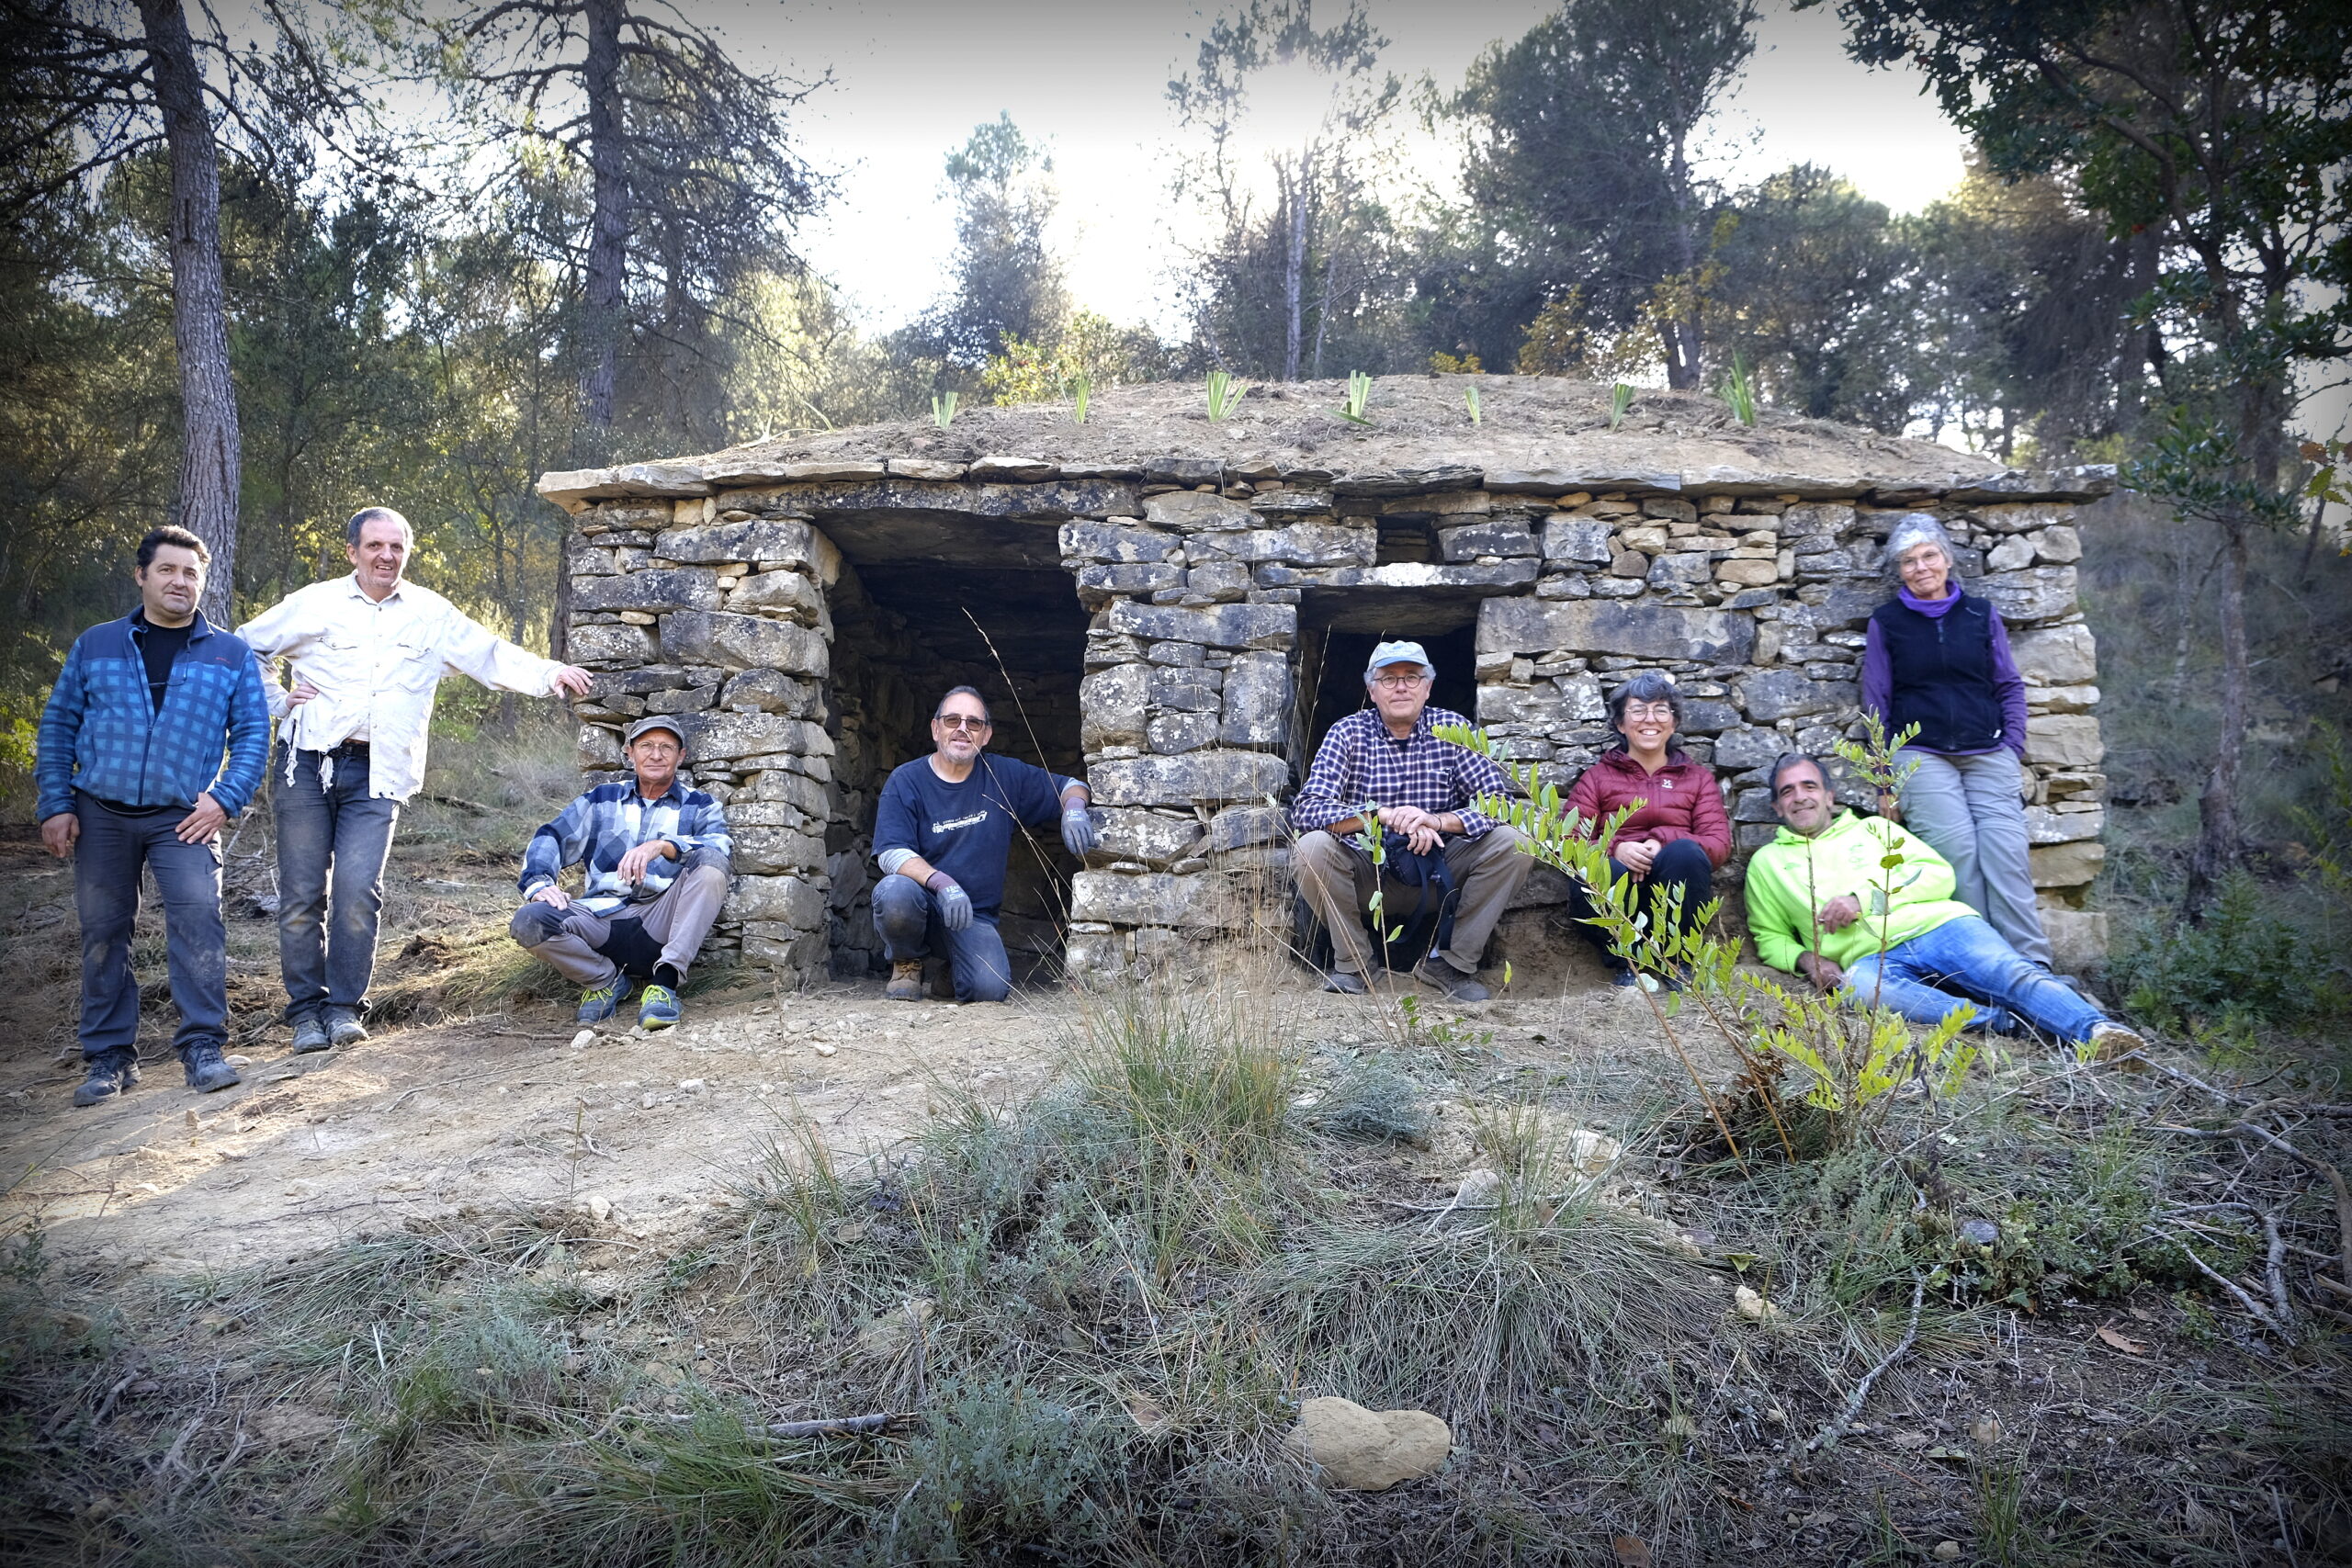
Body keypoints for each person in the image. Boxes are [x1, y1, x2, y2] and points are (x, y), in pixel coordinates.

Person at [238, 506, 594, 1053]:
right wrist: (277, 702)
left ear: (406, 553)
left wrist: (551, 674)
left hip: (379, 770)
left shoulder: (431, 614)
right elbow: (245, 646)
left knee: (358, 891)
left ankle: (343, 1009)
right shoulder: (316, 602)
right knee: (303, 894)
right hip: (307, 762)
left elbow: (490, 653)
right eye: (375, 546)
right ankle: (305, 1013)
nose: (386, 556)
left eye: (397, 547)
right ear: (353, 551)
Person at [36, 527, 270, 1106]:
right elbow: (59, 725)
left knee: (198, 922)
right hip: (101, 814)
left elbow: (253, 735)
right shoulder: (98, 644)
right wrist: (57, 804)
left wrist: (224, 799)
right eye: (167, 570)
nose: (179, 582)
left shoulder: (228, 653)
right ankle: (110, 1057)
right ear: (141, 576)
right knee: (103, 932)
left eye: (191, 573)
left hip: (185, 817)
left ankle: (202, 1048)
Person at [1746, 752, 2143, 1056]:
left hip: (1941, 928)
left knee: (2009, 972)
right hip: (1871, 958)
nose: (1800, 797)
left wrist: (1863, 899)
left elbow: (1937, 875)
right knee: (1859, 990)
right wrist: (1806, 960)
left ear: (1829, 797)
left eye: (1809, 786)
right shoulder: (1768, 864)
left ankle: (2100, 1033)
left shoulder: (1874, 829)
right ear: (1778, 807)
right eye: (1787, 792)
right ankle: (2012, 1023)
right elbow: (1769, 936)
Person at [1291, 640, 1531, 1000]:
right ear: (1372, 690)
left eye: (1412, 677)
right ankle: (1354, 964)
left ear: (1428, 686)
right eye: (1388, 679)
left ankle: (1450, 964)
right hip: (1368, 873)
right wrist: (1381, 816)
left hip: (1440, 873)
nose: (1401, 686)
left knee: (1516, 842)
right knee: (1311, 847)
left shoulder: (1453, 729)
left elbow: (1500, 805)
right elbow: (1307, 809)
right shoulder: (1347, 732)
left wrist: (1437, 821)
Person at [1862, 514, 2052, 968]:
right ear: (1899, 570)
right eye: (1908, 561)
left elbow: (2008, 683)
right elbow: (1876, 701)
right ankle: (1985, 967)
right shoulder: (1887, 622)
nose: (1921, 567)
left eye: (1929, 555)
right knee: (1957, 860)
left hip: (1988, 752)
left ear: (1947, 559)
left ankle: (2034, 966)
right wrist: (1885, 780)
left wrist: (2014, 745)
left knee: (2006, 857)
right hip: (1921, 756)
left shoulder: (1980, 614)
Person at [872, 686, 1098, 1004]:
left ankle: (954, 971)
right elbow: (891, 851)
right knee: (895, 891)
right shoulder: (906, 780)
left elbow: (1071, 785)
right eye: (952, 720)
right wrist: (942, 883)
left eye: (974, 723)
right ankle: (907, 962)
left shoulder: (1004, 775)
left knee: (989, 990)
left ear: (986, 734)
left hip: (973, 916)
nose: (962, 729)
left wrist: (1074, 809)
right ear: (936, 729)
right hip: (921, 902)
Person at [509, 716, 732, 1030]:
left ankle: (664, 986)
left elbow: (718, 846)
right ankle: (606, 980)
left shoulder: (701, 805)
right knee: (529, 920)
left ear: (680, 757)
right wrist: (538, 883)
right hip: (600, 919)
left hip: (663, 918)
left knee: (711, 865)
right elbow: (552, 836)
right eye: (646, 746)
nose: (656, 755)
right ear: (630, 753)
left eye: (666, 747)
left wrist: (662, 846)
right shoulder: (600, 800)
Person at [1562, 671, 1731, 987]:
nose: (1649, 719)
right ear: (1621, 724)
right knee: (1600, 868)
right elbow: (1569, 842)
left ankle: (1677, 960)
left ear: (1674, 722)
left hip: (1674, 889)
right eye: (1638, 710)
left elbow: (1718, 845)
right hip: (1620, 892)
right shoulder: (1597, 778)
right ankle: (1627, 961)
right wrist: (1616, 849)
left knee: (1686, 853)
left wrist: (1662, 840)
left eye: (1661, 710)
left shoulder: (1697, 779)